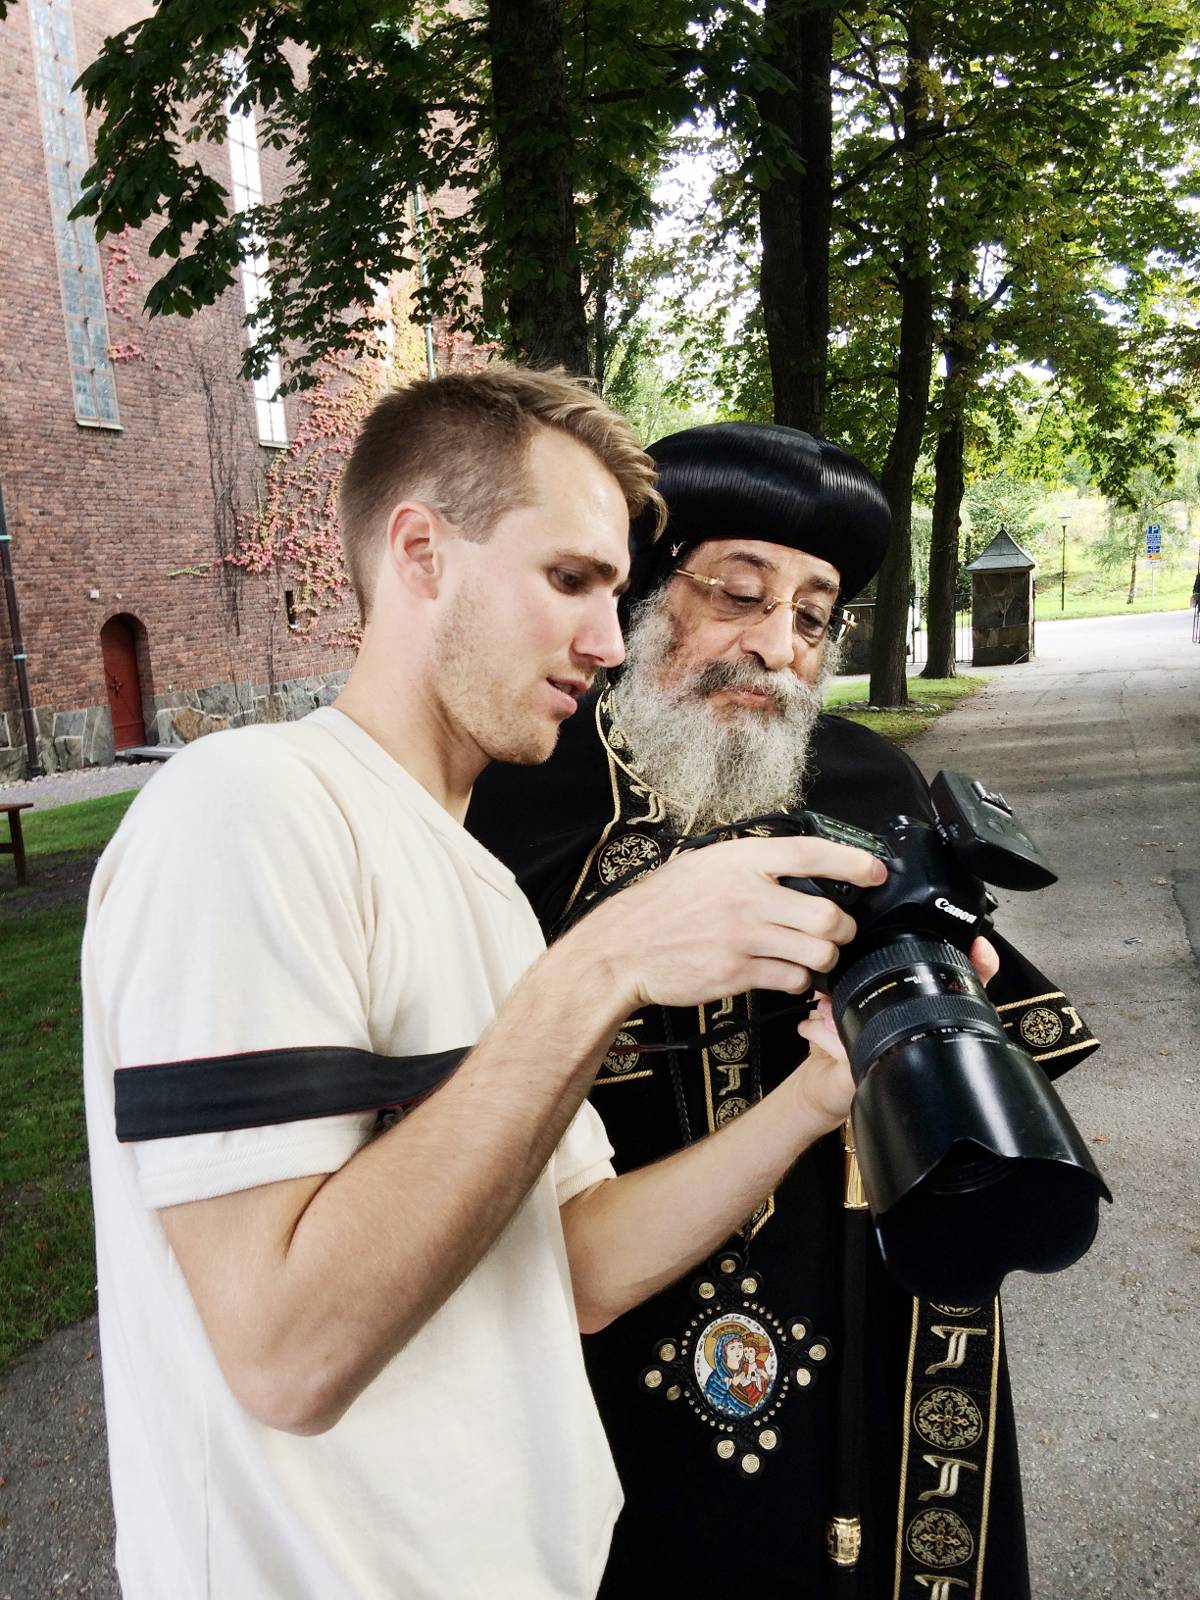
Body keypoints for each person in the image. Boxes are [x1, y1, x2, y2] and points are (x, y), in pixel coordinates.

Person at [81, 370, 920, 1600]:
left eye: (620, 593)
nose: (601, 638)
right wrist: (612, 960)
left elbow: (573, 1265)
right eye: (569, 580)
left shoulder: (478, 888)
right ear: (419, 549)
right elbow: (286, 1353)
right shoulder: (249, 807)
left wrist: (812, 1100)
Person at [468, 420, 1100, 1598]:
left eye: (812, 615)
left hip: (858, 1274)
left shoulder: (866, 779)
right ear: (648, 595)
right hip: (613, 1306)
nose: (777, 648)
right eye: (738, 594)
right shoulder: (514, 803)